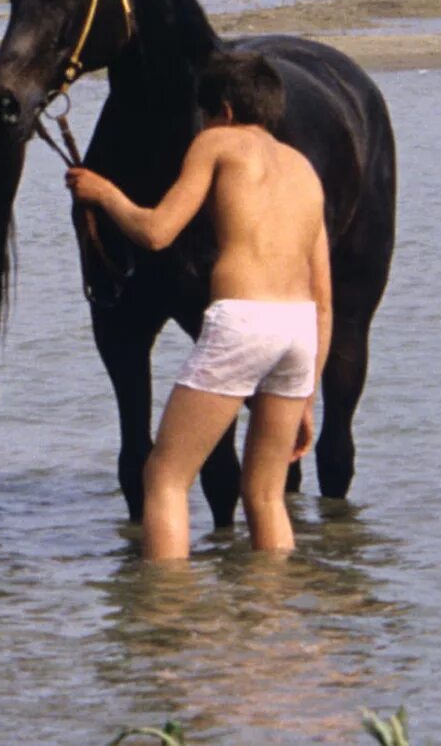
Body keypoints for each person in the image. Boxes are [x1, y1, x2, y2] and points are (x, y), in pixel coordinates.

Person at [68, 50, 333, 558]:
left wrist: (103, 193)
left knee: (164, 477)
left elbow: (157, 230)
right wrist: (306, 396)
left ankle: (170, 616)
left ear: (224, 111)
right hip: (299, 331)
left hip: (245, 321)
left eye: (206, 114)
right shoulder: (303, 170)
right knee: (265, 494)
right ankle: (274, 621)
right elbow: (323, 300)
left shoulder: (216, 143)